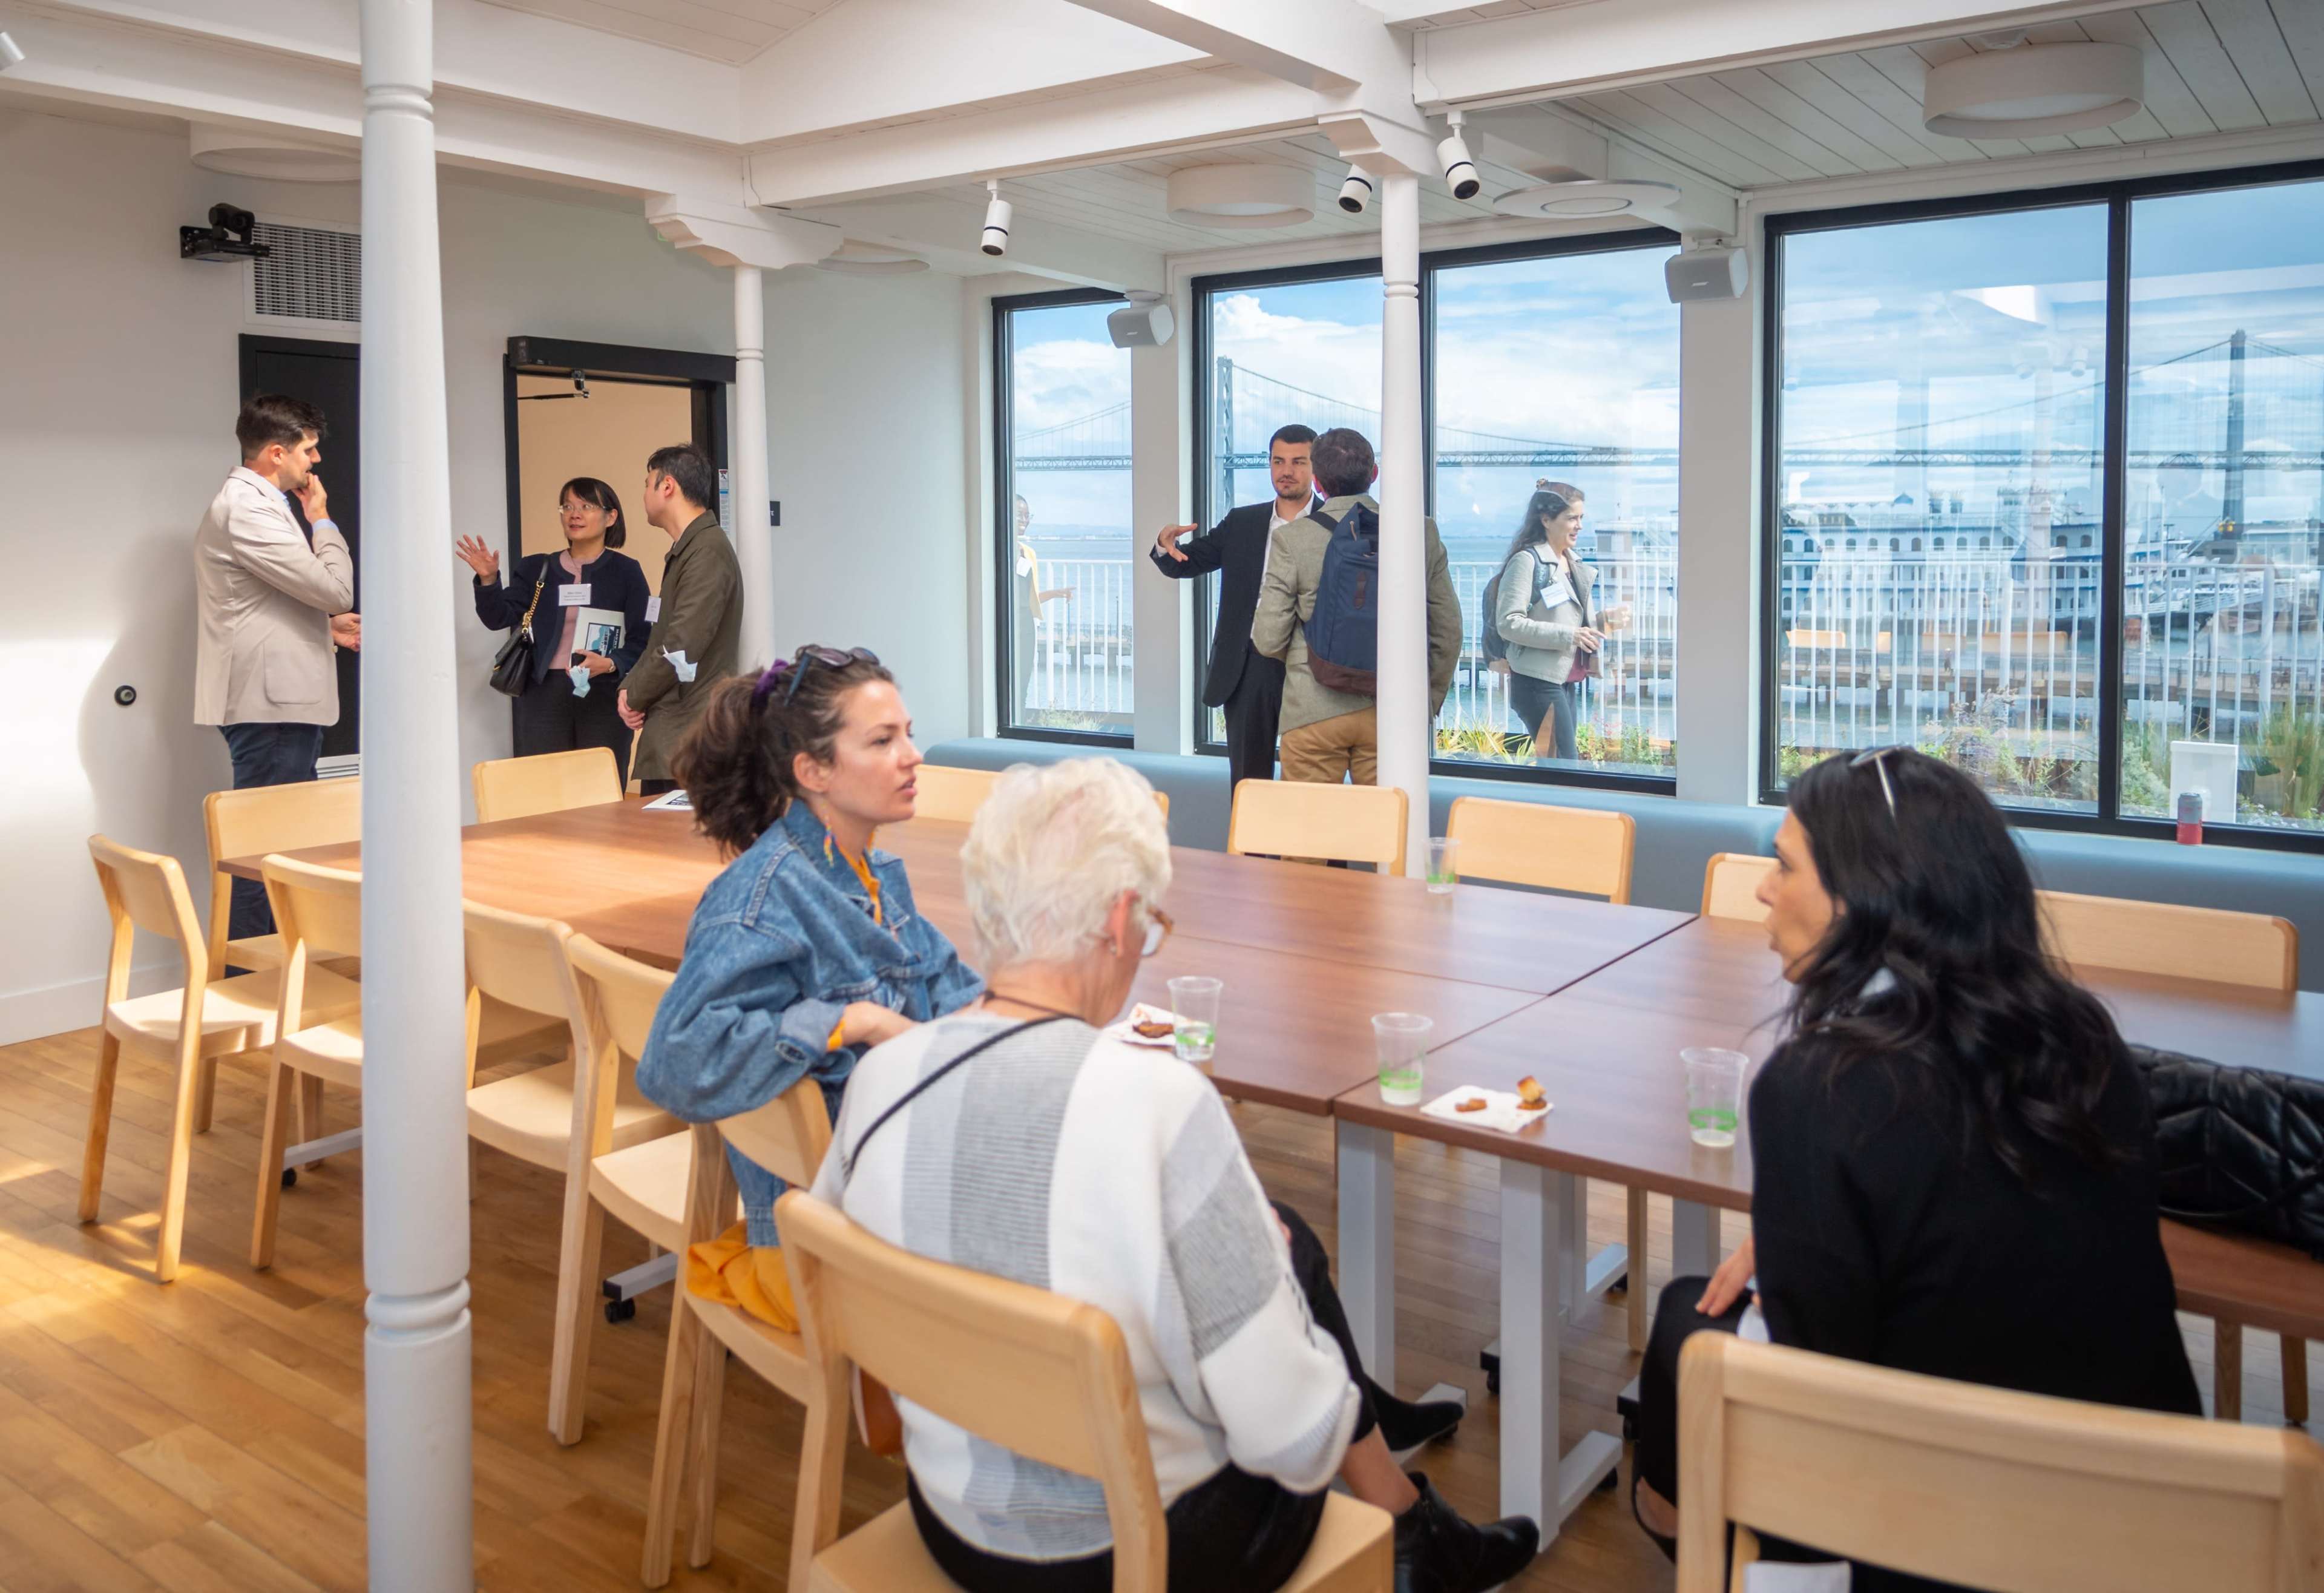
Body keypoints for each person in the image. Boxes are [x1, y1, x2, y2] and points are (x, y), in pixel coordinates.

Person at [807, 757, 1538, 1593]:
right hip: (1136, 1550)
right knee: (1281, 1298)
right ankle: (1419, 1534)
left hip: (954, 1520)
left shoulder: (883, 1077)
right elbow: (1292, 1442)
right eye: (1151, 924)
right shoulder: (1158, 1103)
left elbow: (842, 1291)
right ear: (1120, 922)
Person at [1630, 747, 2201, 1589]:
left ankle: (1680, 1529)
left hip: (1934, 1540)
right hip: (2160, 1515)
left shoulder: (1816, 1089)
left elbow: (1816, 1402)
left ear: (1866, 900)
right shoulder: (2084, 1035)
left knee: (1687, 1316)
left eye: (1784, 865)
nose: (1760, 887)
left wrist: (1801, 1243)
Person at [636, 645, 982, 1318]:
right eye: (883, 740)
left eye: (908, 734)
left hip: (889, 1207)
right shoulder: (763, 899)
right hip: (825, 1253)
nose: (913, 756)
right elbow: (672, 1062)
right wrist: (852, 1020)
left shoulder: (868, 875)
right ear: (814, 770)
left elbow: (954, 994)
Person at [194, 393, 361, 946]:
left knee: (279, 847)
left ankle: (274, 983)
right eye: (308, 451)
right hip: (273, 708)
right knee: (266, 854)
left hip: (277, 702)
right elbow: (335, 590)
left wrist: (326, 630)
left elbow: (261, 601)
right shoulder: (250, 508)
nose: (314, 463)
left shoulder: (257, 503)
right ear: (275, 453)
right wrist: (322, 520)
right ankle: (250, 987)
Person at [1250, 428, 1461, 789]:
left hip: (1313, 710)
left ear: (1316, 481)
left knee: (1306, 837)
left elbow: (1268, 638)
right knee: (1386, 835)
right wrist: (1423, 701)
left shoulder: (1293, 539)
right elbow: (1448, 629)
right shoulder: (1421, 532)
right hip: (1393, 712)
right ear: (1374, 474)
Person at [1151, 424, 1319, 792]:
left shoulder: (1334, 523)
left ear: (1315, 467)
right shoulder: (1243, 522)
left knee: (1310, 784)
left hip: (1312, 667)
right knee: (1248, 781)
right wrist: (1166, 546)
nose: (1286, 471)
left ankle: (1300, 852)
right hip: (1249, 665)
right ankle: (1250, 853)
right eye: (1278, 461)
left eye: (1298, 462)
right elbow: (1186, 562)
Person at [456, 477, 653, 782]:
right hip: (543, 695)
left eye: (586, 506)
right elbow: (498, 617)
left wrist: (613, 663)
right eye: (568, 506)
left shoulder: (626, 572)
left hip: (601, 694)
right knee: (543, 787)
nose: (574, 514)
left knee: (600, 787)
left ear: (610, 517)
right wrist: (488, 580)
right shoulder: (536, 568)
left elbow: (642, 638)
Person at [619, 444, 742, 793]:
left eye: (647, 484)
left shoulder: (706, 551)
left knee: (674, 846)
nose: (644, 494)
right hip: (676, 730)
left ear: (667, 486)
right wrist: (629, 688)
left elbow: (681, 645)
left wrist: (634, 696)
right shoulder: (690, 548)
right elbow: (663, 635)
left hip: (690, 735)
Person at [1490, 482, 1604, 764]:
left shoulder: (1572, 563)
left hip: (1564, 680)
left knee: (1559, 766)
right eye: (1571, 519)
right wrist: (1571, 636)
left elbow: (1571, 620)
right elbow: (1509, 623)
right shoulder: (1527, 562)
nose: (1579, 526)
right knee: (1564, 766)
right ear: (1546, 520)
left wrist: (1605, 622)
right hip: (1537, 682)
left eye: (1581, 519)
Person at [1011, 493, 1074, 720]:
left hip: (1025, 627)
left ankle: (1016, 726)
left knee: (1022, 685)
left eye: (1028, 516)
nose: (1024, 520)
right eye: (1020, 514)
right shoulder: (996, 550)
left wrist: (1057, 593)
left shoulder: (1029, 554)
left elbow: (1031, 597)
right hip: (1004, 625)